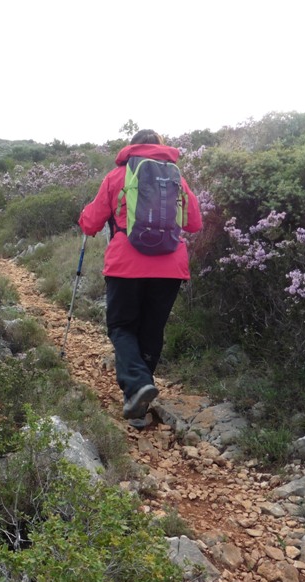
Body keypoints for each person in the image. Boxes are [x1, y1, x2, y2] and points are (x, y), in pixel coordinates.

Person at [78, 130, 202, 425]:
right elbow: (194, 223)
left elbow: (91, 222)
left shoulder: (116, 176)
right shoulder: (176, 178)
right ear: (160, 147)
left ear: (132, 146)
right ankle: (138, 402)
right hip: (170, 267)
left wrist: (84, 218)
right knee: (151, 330)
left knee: (122, 327)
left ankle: (137, 386)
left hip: (126, 266)